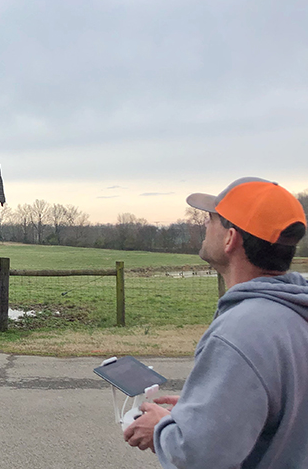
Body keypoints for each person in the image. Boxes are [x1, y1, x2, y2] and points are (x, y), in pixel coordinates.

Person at [123, 177, 308, 468]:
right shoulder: (295, 312)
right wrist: (207, 409)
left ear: (230, 238)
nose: (206, 226)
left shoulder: (242, 332)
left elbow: (199, 456)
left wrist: (162, 428)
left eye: (212, 218)